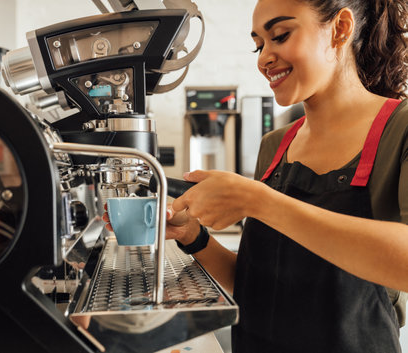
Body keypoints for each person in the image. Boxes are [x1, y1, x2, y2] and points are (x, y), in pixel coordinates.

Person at [104, 0, 408, 351]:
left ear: (340, 28)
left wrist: (258, 199)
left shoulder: (397, 128)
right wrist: (193, 236)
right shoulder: (276, 144)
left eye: (280, 35)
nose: (264, 58)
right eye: (258, 44)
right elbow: (255, 283)